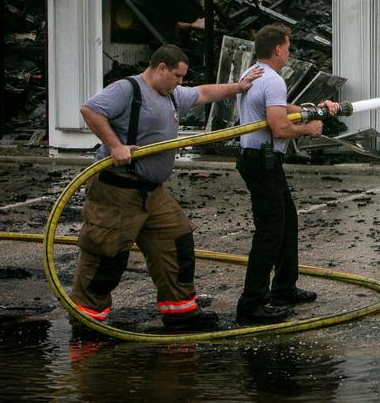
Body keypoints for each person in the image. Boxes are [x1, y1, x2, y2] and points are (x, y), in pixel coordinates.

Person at [71, 44, 261, 331]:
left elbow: (204, 93)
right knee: (106, 253)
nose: (180, 83)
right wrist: (115, 146)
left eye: (183, 78)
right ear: (160, 68)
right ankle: (87, 322)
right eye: (177, 76)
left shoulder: (171, 95)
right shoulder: (128, 90)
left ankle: (180, 312)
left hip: (151, 191)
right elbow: (90, 109)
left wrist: (239, 86)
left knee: (176, 239)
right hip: (118, 189)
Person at [234, 23, 339, 325]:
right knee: (269, 231)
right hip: (262, 161)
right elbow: (280, 126)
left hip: (260, 160)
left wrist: (314, 111)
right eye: (288, 47)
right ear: (279, 49)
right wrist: (311, 129)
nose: (289, 52)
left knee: (287, 222)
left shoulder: (254, 74)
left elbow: (280, 108)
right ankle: (252, 303)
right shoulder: (274, 79)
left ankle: (284, 287)